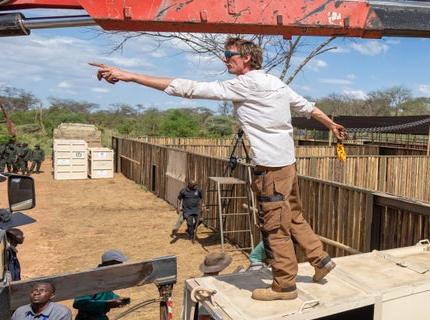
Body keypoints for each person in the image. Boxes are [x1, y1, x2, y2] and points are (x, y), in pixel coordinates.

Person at [90, 37, 347, 301]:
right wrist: (331, 124)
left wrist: (128, 75)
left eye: (228, 54)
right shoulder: (275, 82)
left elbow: (187, 88)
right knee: (293, 216)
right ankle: (320, 259)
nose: (224, 59)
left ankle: (284, 286)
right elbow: (308, 107)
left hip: (270, 171)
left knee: (274, 228)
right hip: (287, 166)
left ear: (246, 58)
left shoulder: (245, 84)